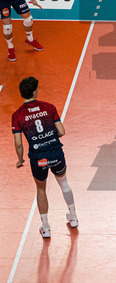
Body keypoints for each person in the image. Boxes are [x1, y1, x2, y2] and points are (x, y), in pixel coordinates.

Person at [12, 76, 78, 238]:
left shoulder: (17, 115)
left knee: (41, 189)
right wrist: (50, 139)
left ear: (21, 93)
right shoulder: (49, 107)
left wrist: (20, 160)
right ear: (35, 91)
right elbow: (61, 131)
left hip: (38, 158)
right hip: (56, 153)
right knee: (64, 183)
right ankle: (73, 217)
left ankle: (46, 227)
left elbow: (18, 144)